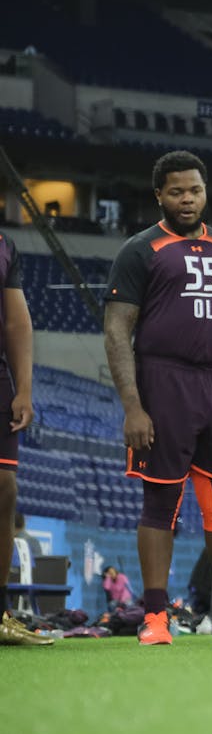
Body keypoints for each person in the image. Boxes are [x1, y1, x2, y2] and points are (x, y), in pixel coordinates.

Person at [102, 151, 212, 645]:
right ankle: (155, 616)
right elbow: (117, 331)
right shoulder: (140, 250)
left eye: (195, 191)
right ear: (158, 194)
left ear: (206, 192)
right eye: (176, 191)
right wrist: (133, 405)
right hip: (163, 383)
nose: (187, 199)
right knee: (160, 501)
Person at [0, 227, 45, 647]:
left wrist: (24, 388)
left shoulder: (4, 245)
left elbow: (16, 320)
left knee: (5, 490)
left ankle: (0, 614)